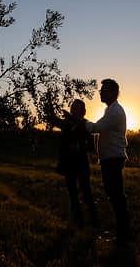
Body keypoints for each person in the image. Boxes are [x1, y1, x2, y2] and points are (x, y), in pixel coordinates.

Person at [85, 78, 131, 244]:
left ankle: (123, 235)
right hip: (110, 158)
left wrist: (81, 121)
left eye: (103, 90)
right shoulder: (111, 110)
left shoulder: (114, 111)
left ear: (113, 92)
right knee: (115, 195)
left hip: (112, 159)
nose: (100, 93)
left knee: (116, 196)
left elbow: (96, 128)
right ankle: (123, 232)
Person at [51, 99, 98, 228]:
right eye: (73, 107)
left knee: (86, 192)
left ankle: (94, 220)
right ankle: (77, 220)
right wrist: (49, 104)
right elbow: (54, 121)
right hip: (68, 163)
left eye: (77, 107)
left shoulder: (85, 124)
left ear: (82, 111)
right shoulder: (67, 123)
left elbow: (91, 147)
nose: (74, 109)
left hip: (82, 163)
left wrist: (79, 147)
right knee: (72, 192)